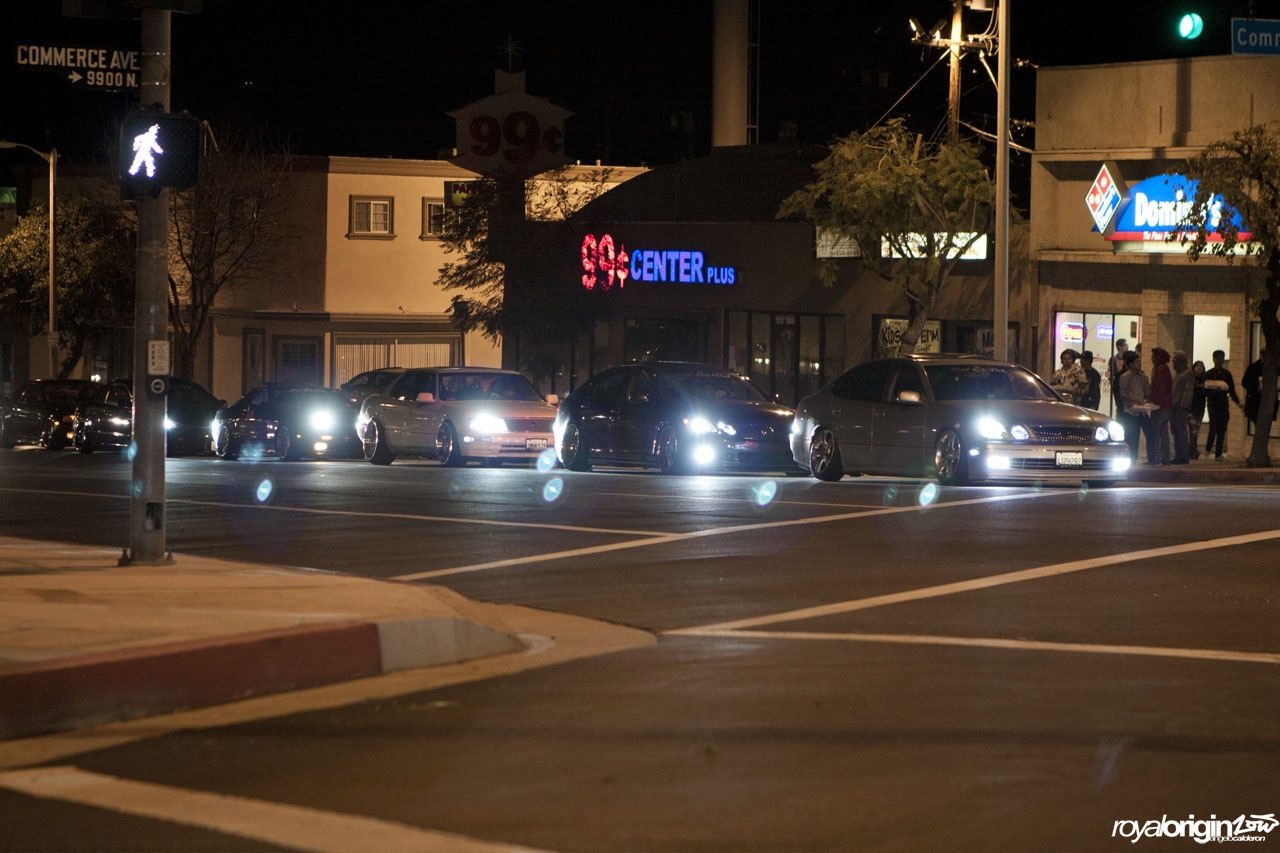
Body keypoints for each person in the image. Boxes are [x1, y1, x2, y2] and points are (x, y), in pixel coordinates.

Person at [1119, 350, 1156, 463]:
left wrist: (1148, 402)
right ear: (1130, 364)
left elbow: (1147, 392)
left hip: (1142, 411)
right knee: (1133, 436)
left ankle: (1151, 458)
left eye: (1140, 362)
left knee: (1150, 433)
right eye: (1137, 362)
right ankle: (1132, 459)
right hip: (1131, 411)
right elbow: (1123, 393)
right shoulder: (1125, 377)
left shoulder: (1143, 377)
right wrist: (1134, 400)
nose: (1139, 364)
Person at [1203, 349, 1241, 460]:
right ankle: (1207, 449)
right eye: (1218, 358)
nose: (1220, 361)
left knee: (1222, 429)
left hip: (1223, 404)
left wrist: (1238, 402)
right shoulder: (1209, 374)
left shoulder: (1226, 374)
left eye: (1222, 359)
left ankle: (1218, 454)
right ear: (1214, 359)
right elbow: (1204, 390)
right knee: (1213, 427)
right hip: (1212, 404)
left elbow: (1231, 390)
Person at [1148, 348, 1173, 464]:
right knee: (1164, 433)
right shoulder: (1164, 368)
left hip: (1160, 406)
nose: (1152, 359)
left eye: (1154, 356)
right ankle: (1165, 458)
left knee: (1156, 433)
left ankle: (1156, 458)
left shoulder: (1160, 369)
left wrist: (1153, 401)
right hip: (1165, 406)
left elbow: (1159, 388)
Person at [1170, 351, 1194, 464]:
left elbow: (1188, 392)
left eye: (1175, 360)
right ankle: (1178, 455)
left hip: (1180, 408)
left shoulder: (1187, 374)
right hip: (1174, 406)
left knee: (1181, 432)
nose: (1173, 362)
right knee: (1176, 432)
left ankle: (1183, 456)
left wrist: (1183, 406)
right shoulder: (1177, 374)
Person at [1189, 360, 1206, 459]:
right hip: (1191, 408)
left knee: (1196, 432)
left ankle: (1193, 450)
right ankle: (1192, 451)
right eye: (1197, 366)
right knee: (1193, 431)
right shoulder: (1191, 379)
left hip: (1200, 409)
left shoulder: (1205, 380)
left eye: (1201, 366)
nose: (1199, 368)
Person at [1108, 339, 1130, 416]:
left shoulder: (1129, 358)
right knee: (1120, 406)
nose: (1127, 347)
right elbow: (1110, 373)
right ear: (1119, 347)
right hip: (1118, 386)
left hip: (1128, 387)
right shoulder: (1113, 359)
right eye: (1125, 345)